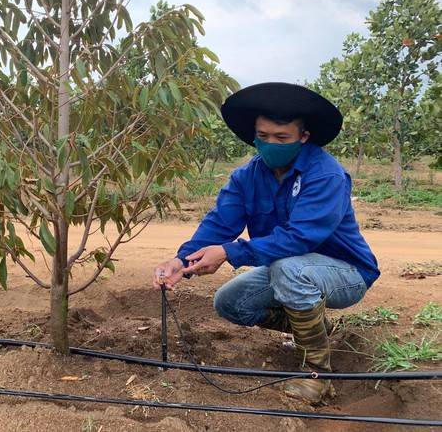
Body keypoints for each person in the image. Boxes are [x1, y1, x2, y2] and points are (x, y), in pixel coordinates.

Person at [153, 82, 379, 405]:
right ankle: (314, 328)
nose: (270, 144)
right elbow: (220, 223)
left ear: (303, 136)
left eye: (281, 137)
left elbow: (299, 239)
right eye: (263, 136)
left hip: (347, 273)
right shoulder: (247, 176)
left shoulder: (326, 174)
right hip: (291, 269)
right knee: (229, 301)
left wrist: (230, 252)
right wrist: (182, 261)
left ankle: (318, 375)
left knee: (288, 268)